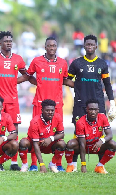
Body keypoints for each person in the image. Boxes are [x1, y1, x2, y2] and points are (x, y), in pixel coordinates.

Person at [17, 37, 74, 172]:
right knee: (34, 133)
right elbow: (28, 76)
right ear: (45, 47)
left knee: (59, 132)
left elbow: (65, 80)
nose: (52, 47)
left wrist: (82, 86)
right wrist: (37, 83)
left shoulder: (62, 63)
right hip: (40, 103)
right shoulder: (37, 61)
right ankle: (34, 164)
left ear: (57, 47)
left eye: (54, 45)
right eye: (49, 45)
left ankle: (56, 163)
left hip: (57, 103)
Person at [67, 35, 116, 169]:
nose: (89, 46)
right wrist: (78, 86)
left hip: (98, 104)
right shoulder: (76, 63)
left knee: (100, 133)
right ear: (84, 46)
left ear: (96, 46)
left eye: (92, 44)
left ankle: (100, 166)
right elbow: (66, 80)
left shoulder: (102, 64)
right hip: (80, 102)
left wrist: (112, 102)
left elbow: (107, 84)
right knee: (77, 132)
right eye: (87, 44)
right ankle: (73, 164)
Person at [0, 31, 27, 171]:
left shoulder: (18, 59)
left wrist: (14, 81)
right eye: (6, 41)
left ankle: (13, 162)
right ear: (0, 43)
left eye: (10, 41)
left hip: (13, 100)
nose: (9, 43)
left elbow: (26, 75)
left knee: (15, 129)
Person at [65, 99, 116, 174]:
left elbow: (110, 135)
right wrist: (83, 165)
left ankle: (100, 166)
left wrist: (101, 141)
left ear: (98, 110)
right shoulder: (80, 122)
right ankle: (70, 166)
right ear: (87, 109)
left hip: (97, 145)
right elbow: (82, 144)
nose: (93, 112)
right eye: (91, 109)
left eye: (95, 109)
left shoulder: (102, 117)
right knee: (70, 144)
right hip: (84, 147)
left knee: (113, 144)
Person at [18, 99, 65, 173]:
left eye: (52, 110)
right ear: (42, 110)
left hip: (49, 144)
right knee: (23, 142)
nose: (50, 113)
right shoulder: (35, 121)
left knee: (62, 144)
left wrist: (51, 138)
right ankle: (25, 165)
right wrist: (42, 164)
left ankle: (52, 164)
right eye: (47, 110)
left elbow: (62, 134)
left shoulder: (58, 117)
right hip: (35, 145)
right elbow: (35, 144)